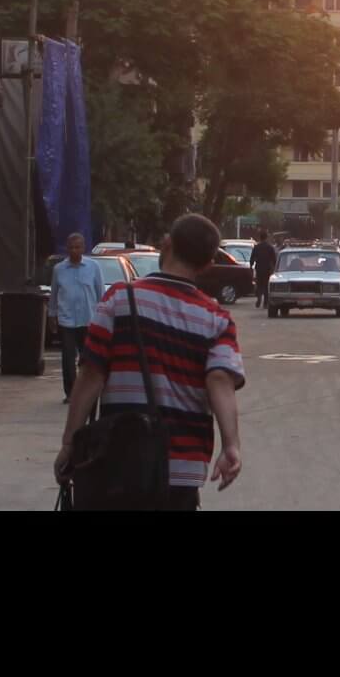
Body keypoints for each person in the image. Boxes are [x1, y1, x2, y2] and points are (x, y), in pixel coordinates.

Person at [56, 213, 246, 509]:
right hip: (182, 471)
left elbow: (91, 374)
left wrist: (70, 443)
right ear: (207, 265)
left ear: (166, 244)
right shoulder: (216, 318)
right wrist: (231, 445)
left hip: (121, 464)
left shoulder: (119, 299)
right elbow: (220, 381)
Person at [50, 232, 113, 403]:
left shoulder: (93, 267)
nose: (74, 251)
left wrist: (103, 318)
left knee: (88, 359)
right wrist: (52, 316)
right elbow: (54, 294)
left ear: (83, 248)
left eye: (77, 247)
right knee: (67, 358)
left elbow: (101, 294)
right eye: (71, 248)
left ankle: (87, 391)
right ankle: (70, 393)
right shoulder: (59, 270)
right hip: (67, 320)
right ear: (67, 249)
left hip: (88, 320)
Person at [251, 235, 279, 307]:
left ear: (260, 238)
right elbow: (274, 259)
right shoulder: (270, 247)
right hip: (267, 269)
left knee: (259, 285)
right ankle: (265, 302)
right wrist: (275, 268)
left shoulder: (256, 247)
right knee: (266, 285)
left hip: (259, 268)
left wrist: (251, 266)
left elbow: (252, 258)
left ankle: (259, 298)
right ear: (266, 238)